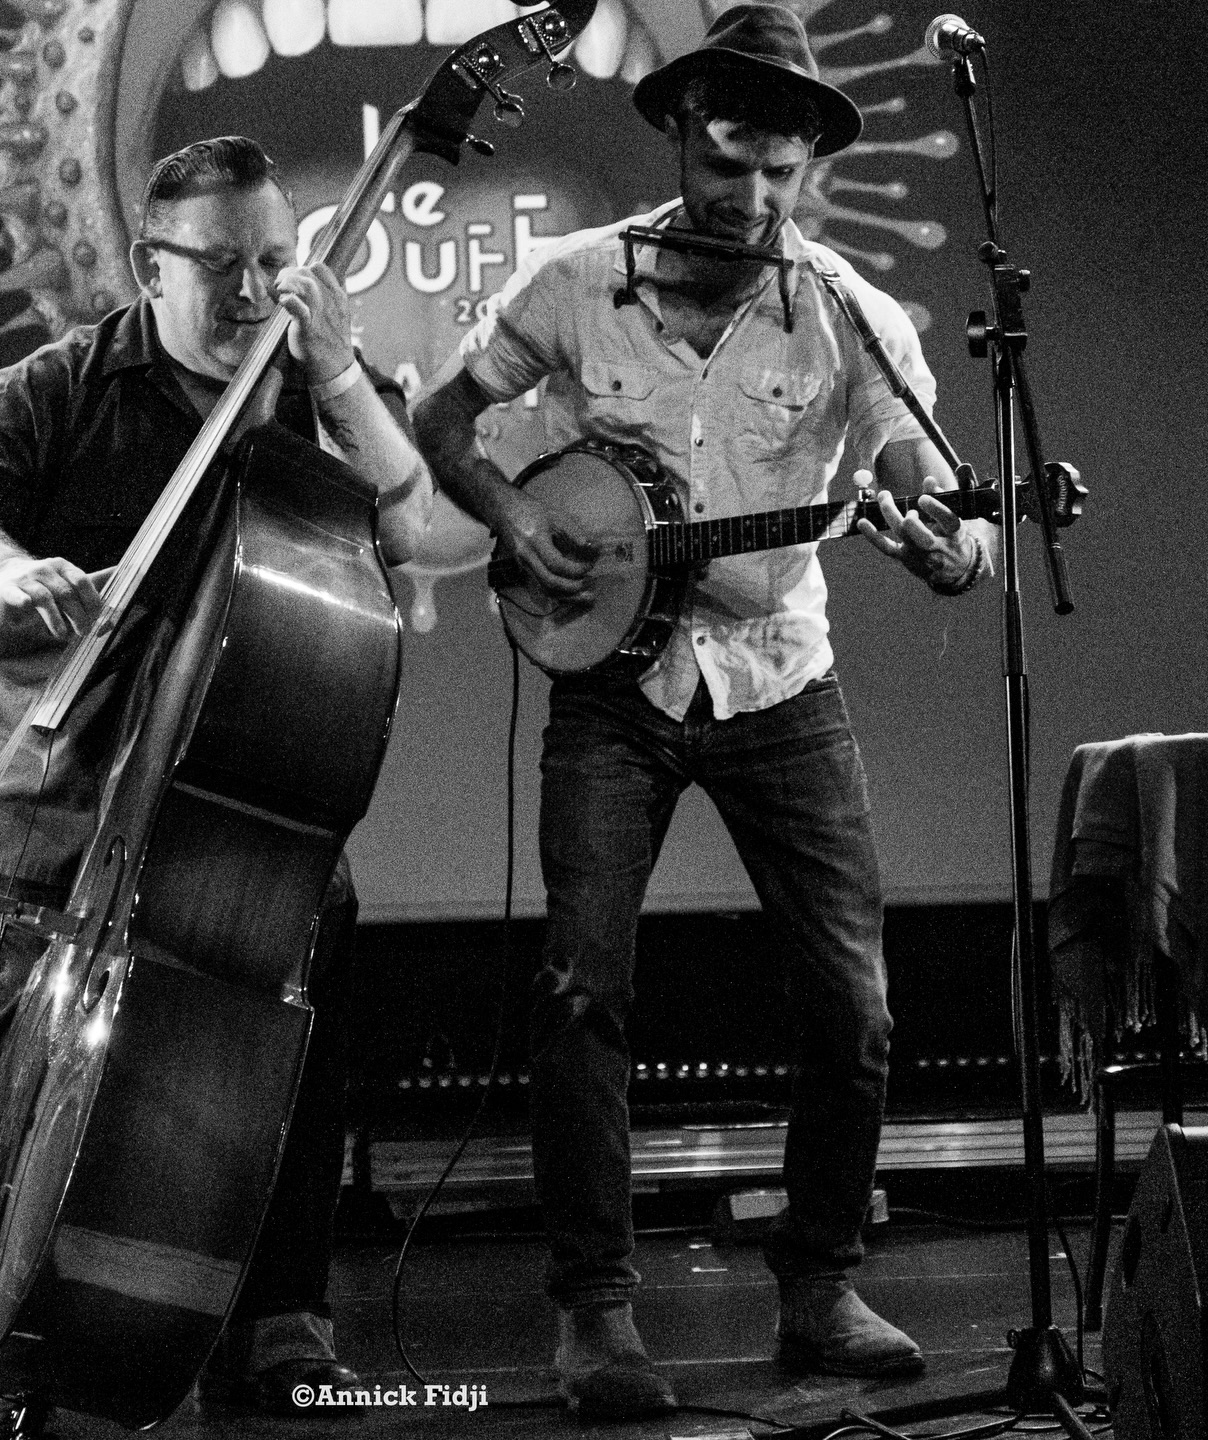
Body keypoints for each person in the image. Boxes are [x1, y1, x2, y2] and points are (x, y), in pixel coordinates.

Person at [414, 3, 988, 1420]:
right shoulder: (572, 281)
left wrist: (950, 542)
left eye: (781, 173)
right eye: (729, 163)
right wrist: (511, 519)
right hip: (613, 684)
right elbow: (440, 423)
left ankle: (821, 1281)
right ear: (681, 133)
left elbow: (933, 491)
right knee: (580, 991)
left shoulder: (854, 316)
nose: (753, 197)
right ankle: (594, 1312)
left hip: (780, 674)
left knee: (854, 1004)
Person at [0, 135, 434, 1437]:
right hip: (64, 801)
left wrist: (336, 373)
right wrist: (5, 570)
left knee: (281, 1059)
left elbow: (420, 529)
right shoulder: (61, 387)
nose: (255, 290)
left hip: (241, 803)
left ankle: (281, 1327)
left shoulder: (318, 386)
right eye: (222, 265)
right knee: (32, 1096)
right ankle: (10, 1341)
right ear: (151, 267)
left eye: (276, 260)